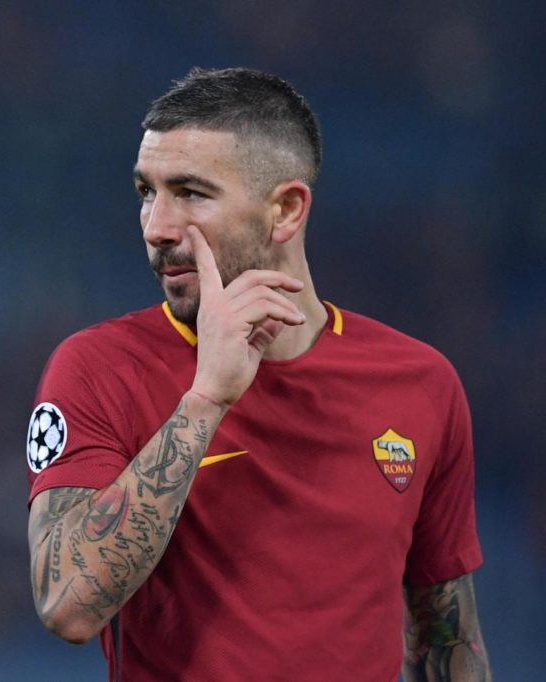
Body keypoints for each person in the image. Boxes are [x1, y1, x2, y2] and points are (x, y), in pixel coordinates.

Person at [25, 67, 491, 681]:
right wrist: (206, 399)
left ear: (286, 210)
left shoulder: (420, 383)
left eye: (190, 193)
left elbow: (446, 638)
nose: (157, 227)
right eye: (146, 192)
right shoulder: (101, 368)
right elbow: (67, 605)